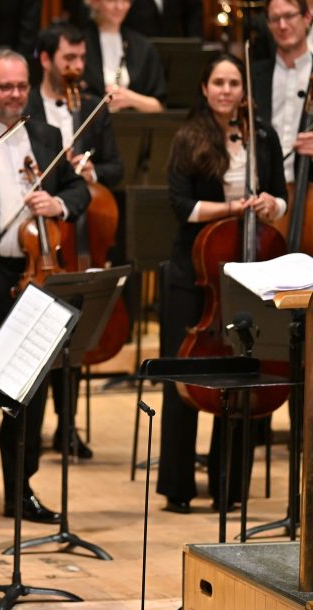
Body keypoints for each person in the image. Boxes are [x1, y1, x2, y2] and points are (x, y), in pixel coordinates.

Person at [0, 49, 90, 523]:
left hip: (37, 274)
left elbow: (79, 190)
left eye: (22, 86)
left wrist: (57, 204)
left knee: (30, 392)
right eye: (6, 87)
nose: (16, 95)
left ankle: (21, 490)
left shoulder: (47, 136)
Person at [160, 54, 287, 513]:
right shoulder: (189, 136)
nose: (226, 90)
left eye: (234, 83)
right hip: (194, 271)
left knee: (240, 376)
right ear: (205, 87)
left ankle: (229, 485)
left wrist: (270, 205)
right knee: (182, 377)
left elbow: (280, 196)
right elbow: (183, 206)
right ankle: (177, 486)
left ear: (243, 90)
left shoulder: (263, 136)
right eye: (218, 82)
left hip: (246, 271)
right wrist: (232, 209)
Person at [26, 21, 124, 460]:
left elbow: (117, 169)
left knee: (76, 328)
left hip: (84, 230)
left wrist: (89, 173)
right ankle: (28, 426)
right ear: (46, 59)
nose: (77, 66)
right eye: (69, 58)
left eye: (82, 58)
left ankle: (68, 425)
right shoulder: (28, 106)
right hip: (41, 233)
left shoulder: (93, 106)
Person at [252, 0, 313, 187]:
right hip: (264, 191)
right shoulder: (252, 75)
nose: (282, 25)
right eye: (275, 19)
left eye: (289, 16)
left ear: (307, 18)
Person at [81, 0, 166, 112]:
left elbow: (158, 106)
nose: (119, 6)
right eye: (111, 1)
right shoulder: (79, 44)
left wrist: (132, 99)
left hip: (133, 121)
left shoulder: (143, 46)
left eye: (125, 1)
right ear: (94, 2)